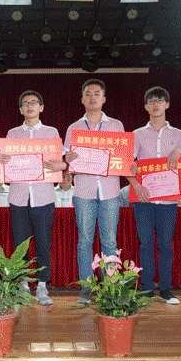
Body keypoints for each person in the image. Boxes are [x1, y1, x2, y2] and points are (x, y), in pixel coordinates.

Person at [0, 91, 65, 305]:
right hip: (19, 196)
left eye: (34, 103)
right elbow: (6, 163)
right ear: (20, 109)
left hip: (43, 196)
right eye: (25, 103)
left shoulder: (51, 132)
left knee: (43, 242)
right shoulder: (12, 134)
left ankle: (42, 286)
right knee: (20, 243)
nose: (30, 106)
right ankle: (22, 284)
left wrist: (60, 165)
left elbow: (59, 162)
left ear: (41, 107)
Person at [64, 79, 125, 304]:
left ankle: (110, 286)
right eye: (88, 93)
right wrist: (67, 158)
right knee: (84, 241)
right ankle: (87, 286)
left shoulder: (116, 126)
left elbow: (122, 156)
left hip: (110, 190)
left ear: (104, 98)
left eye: (97, 93)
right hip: (84, 191)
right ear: (82, 99)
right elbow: (66, 158)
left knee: (109, 241)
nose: (92, 97)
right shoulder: (74, 128)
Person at [126, 87, 181, 305]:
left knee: (165, 245)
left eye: (160, 100)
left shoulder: (178, 134)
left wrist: (180, 152)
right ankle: (146, 288)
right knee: (145, 244)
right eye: (151, 101)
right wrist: (136, 185)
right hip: (144, 198)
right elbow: (127, 165)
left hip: (168, 200)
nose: (155, 104)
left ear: (167, 104)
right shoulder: (137, 134)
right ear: (145, 106)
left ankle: (166, 289)